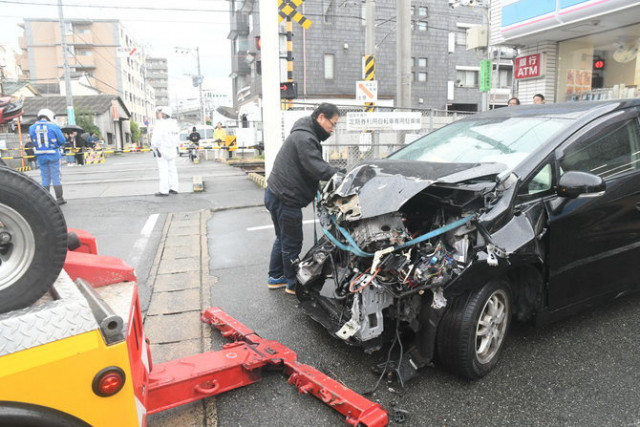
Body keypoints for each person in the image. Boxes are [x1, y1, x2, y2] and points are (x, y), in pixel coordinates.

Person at [265, 103, 341, 295]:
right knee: (292, 242)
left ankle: (276, 277)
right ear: (321, 117)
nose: (333, 129)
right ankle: (292, 285)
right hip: (286, 198)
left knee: (282, 239)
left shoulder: (304, 132)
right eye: (332, 124)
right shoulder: (305, 137)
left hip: (275, 193)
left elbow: (308, 168)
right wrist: (342, 175)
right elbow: (316, 167)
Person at [28, 108, 67, 205]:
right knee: (56, 177)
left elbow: (33, 141)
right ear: (49, 116)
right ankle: (59, 198)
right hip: (53, 154)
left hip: (40, 156)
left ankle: (46, 201)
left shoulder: (32, 127)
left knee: (45, 178)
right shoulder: (54, 126)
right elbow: (62, 141)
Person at [150, 106, 179, 196]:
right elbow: (177, 139)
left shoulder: (160, 124)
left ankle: (164, 190)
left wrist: (154, 146)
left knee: (163, 170)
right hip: (172, 150)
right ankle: (174, 188)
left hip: (162, 150)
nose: (158, 114)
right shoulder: (174, 124)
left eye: (159, 112)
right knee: (172, 170)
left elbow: (156, 138)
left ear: (163, 114)